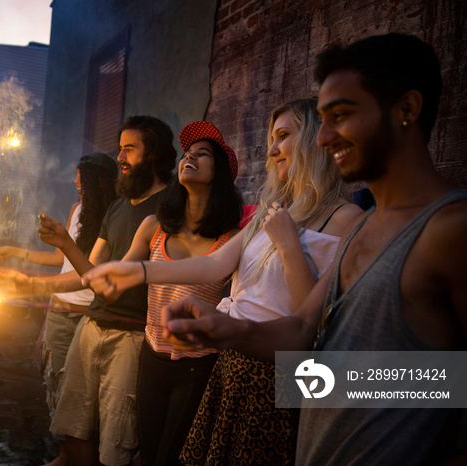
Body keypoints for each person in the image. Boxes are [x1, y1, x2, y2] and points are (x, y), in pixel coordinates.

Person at [153, 34, 467, 465]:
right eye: (321, 121)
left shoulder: (451, 228)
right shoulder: (366, 226)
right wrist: (228, 331)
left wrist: (287, 387)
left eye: (341, 115)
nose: (323, 138)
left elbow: (450, 384)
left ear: (407, 110)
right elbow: (305, 334)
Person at [83, 98, 362, 464]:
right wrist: (139, 271)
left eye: (283, 136)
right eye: (271, 140)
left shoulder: (349, 219)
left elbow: (309, 325)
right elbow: (212, 266)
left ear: (315, 139)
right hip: (232, 366)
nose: (273, 150)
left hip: (279, 377)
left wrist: (289, 244)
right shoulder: (273, 212)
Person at [0, 115, 177, 466]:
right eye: (119, 148)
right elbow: (91, 274)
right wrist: (50, 262)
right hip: (91, 326)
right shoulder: (116, 207)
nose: (120, 158)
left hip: (132, 337)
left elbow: (113, 284)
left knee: (115, 441)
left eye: (129, 149)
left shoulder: (171, 207)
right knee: (74, 428)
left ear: (154, 154)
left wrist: (61, 248)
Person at [107, 121, 243, 465]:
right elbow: (110, 280)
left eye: (202, 154)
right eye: (187, 153)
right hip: (151, 356)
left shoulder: (232, 239)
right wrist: (41, 279)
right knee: (149, 452)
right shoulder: (154, 226)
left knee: (174, 458)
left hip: (197, 367)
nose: (190, 157)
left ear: (220, 172)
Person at [0, 152, 118, 466]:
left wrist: (31, 282)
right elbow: (62, 260)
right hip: (59, 312)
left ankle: (84, 458)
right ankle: (65, 454)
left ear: (97, 182)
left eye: (81, 177)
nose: (75, 182)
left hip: (88, 316)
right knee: (58, 389)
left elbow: (87, 273)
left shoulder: (114, 216)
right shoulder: (76, 210)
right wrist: (15, 252)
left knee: (85, 397)